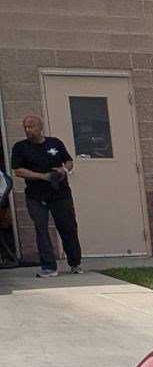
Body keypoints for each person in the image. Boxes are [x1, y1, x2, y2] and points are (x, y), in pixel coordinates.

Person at [11, 113, 80, 277]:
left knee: (68, 227)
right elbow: (18, 171)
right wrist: (44, 177)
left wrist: (64, 170)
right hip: (36, 196)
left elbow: (69, 161)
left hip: (60, 193)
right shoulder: (20, 147)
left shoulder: (55, 143)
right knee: (41, 229)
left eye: (31, 126)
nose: (28, 130)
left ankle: (75, 262)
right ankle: (49, 267)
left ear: (40, 127)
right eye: (25, 127)